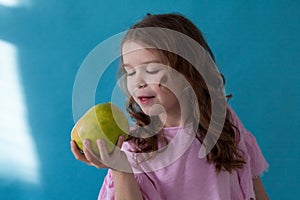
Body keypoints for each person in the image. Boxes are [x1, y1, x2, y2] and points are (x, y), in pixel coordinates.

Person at [71, 13, 269, 200]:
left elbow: (251, 180)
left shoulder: (223, 120)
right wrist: (121, 170)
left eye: (152, 69)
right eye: (129, 72)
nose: (138, 82)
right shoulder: (135, 148)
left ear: (189, 71)